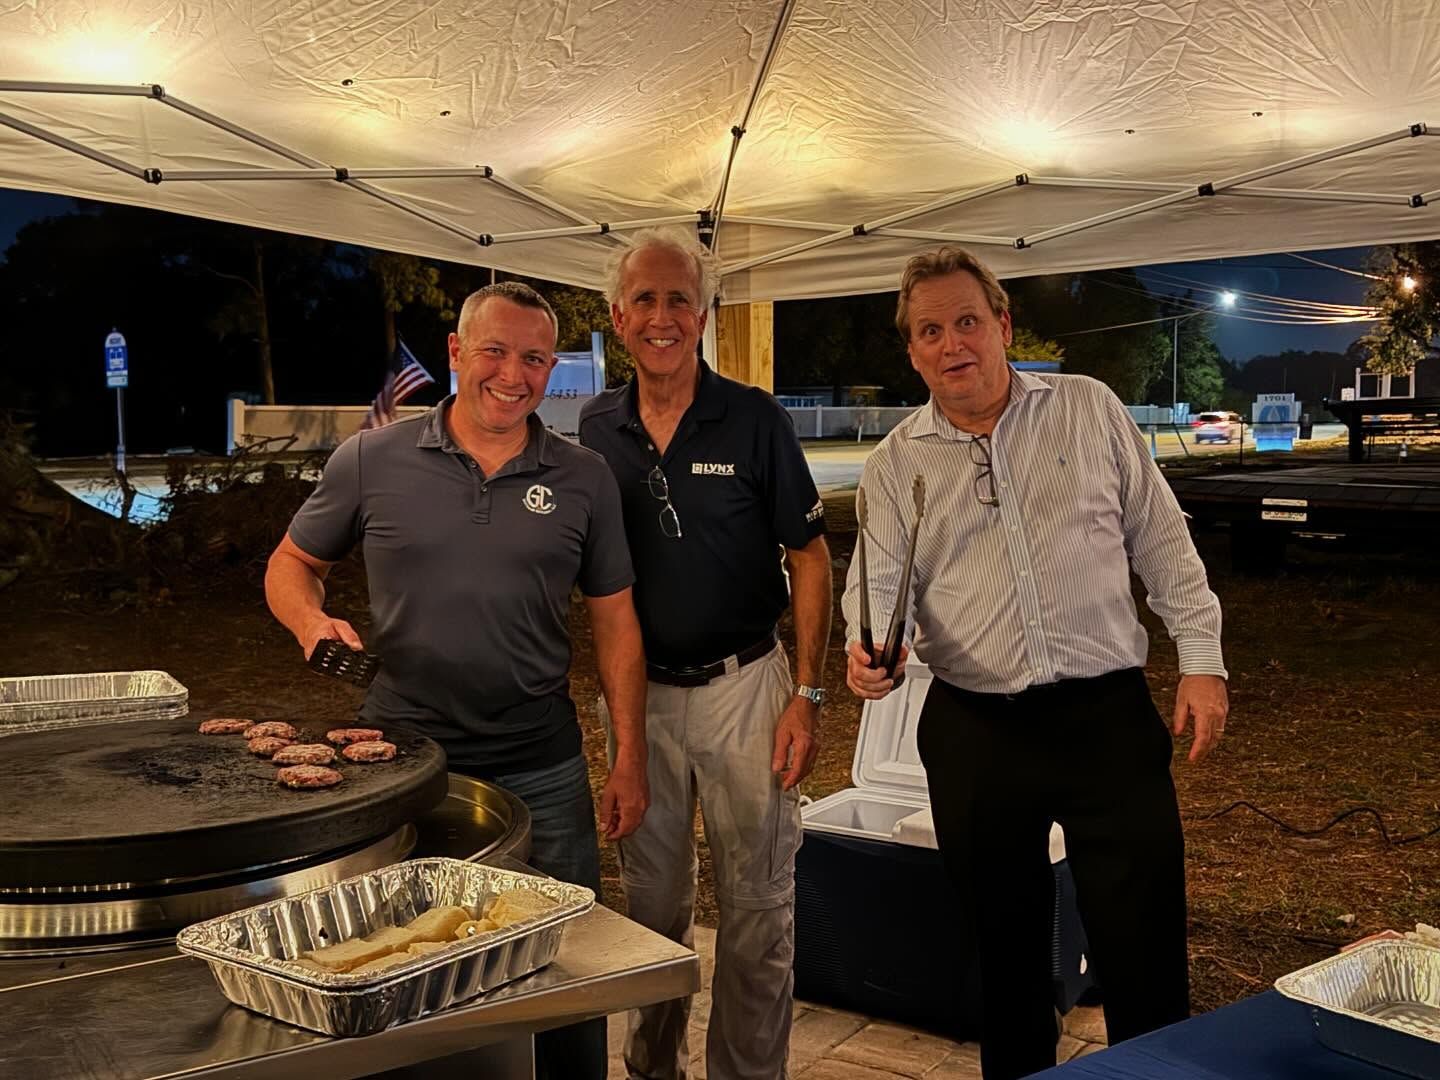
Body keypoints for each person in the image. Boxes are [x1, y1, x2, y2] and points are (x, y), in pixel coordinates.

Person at [843, 247, 1229, 1080]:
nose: (953, 343)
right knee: (1004, 957)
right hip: (977, 731)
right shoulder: (896, 463)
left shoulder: (1087, 409)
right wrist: (868, 654)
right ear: (912, 351)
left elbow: (1161, 538)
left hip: (1105, 720)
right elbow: (875, 588)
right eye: (930, 331)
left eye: (967, 321)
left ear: (1004, 325)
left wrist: (1201, 659)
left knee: (1143, 944)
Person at [264, 281, 648, 1080]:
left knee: (566, 962)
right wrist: (310, 623)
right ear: (455, 352)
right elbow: (292, 563)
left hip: (542, 762)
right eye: (495, 352)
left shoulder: (583, 476)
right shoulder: (371, 459)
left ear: (552, 368)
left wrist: (630, 757)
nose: (513, 374)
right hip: (405, 766)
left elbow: (616, 622)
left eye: (534, 359)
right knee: (403, 958)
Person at [579, 228, 832, 1080]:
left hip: (746, 688)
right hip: (638, 698)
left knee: (758, 906)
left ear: (704, 315)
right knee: (650, 909)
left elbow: (810, 556)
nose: (662, 317)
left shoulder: (755, 419)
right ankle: (654, 1069)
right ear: (619, 317)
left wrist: (808, 695)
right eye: (644, 300)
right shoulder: (594, 428)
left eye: (679, 299)